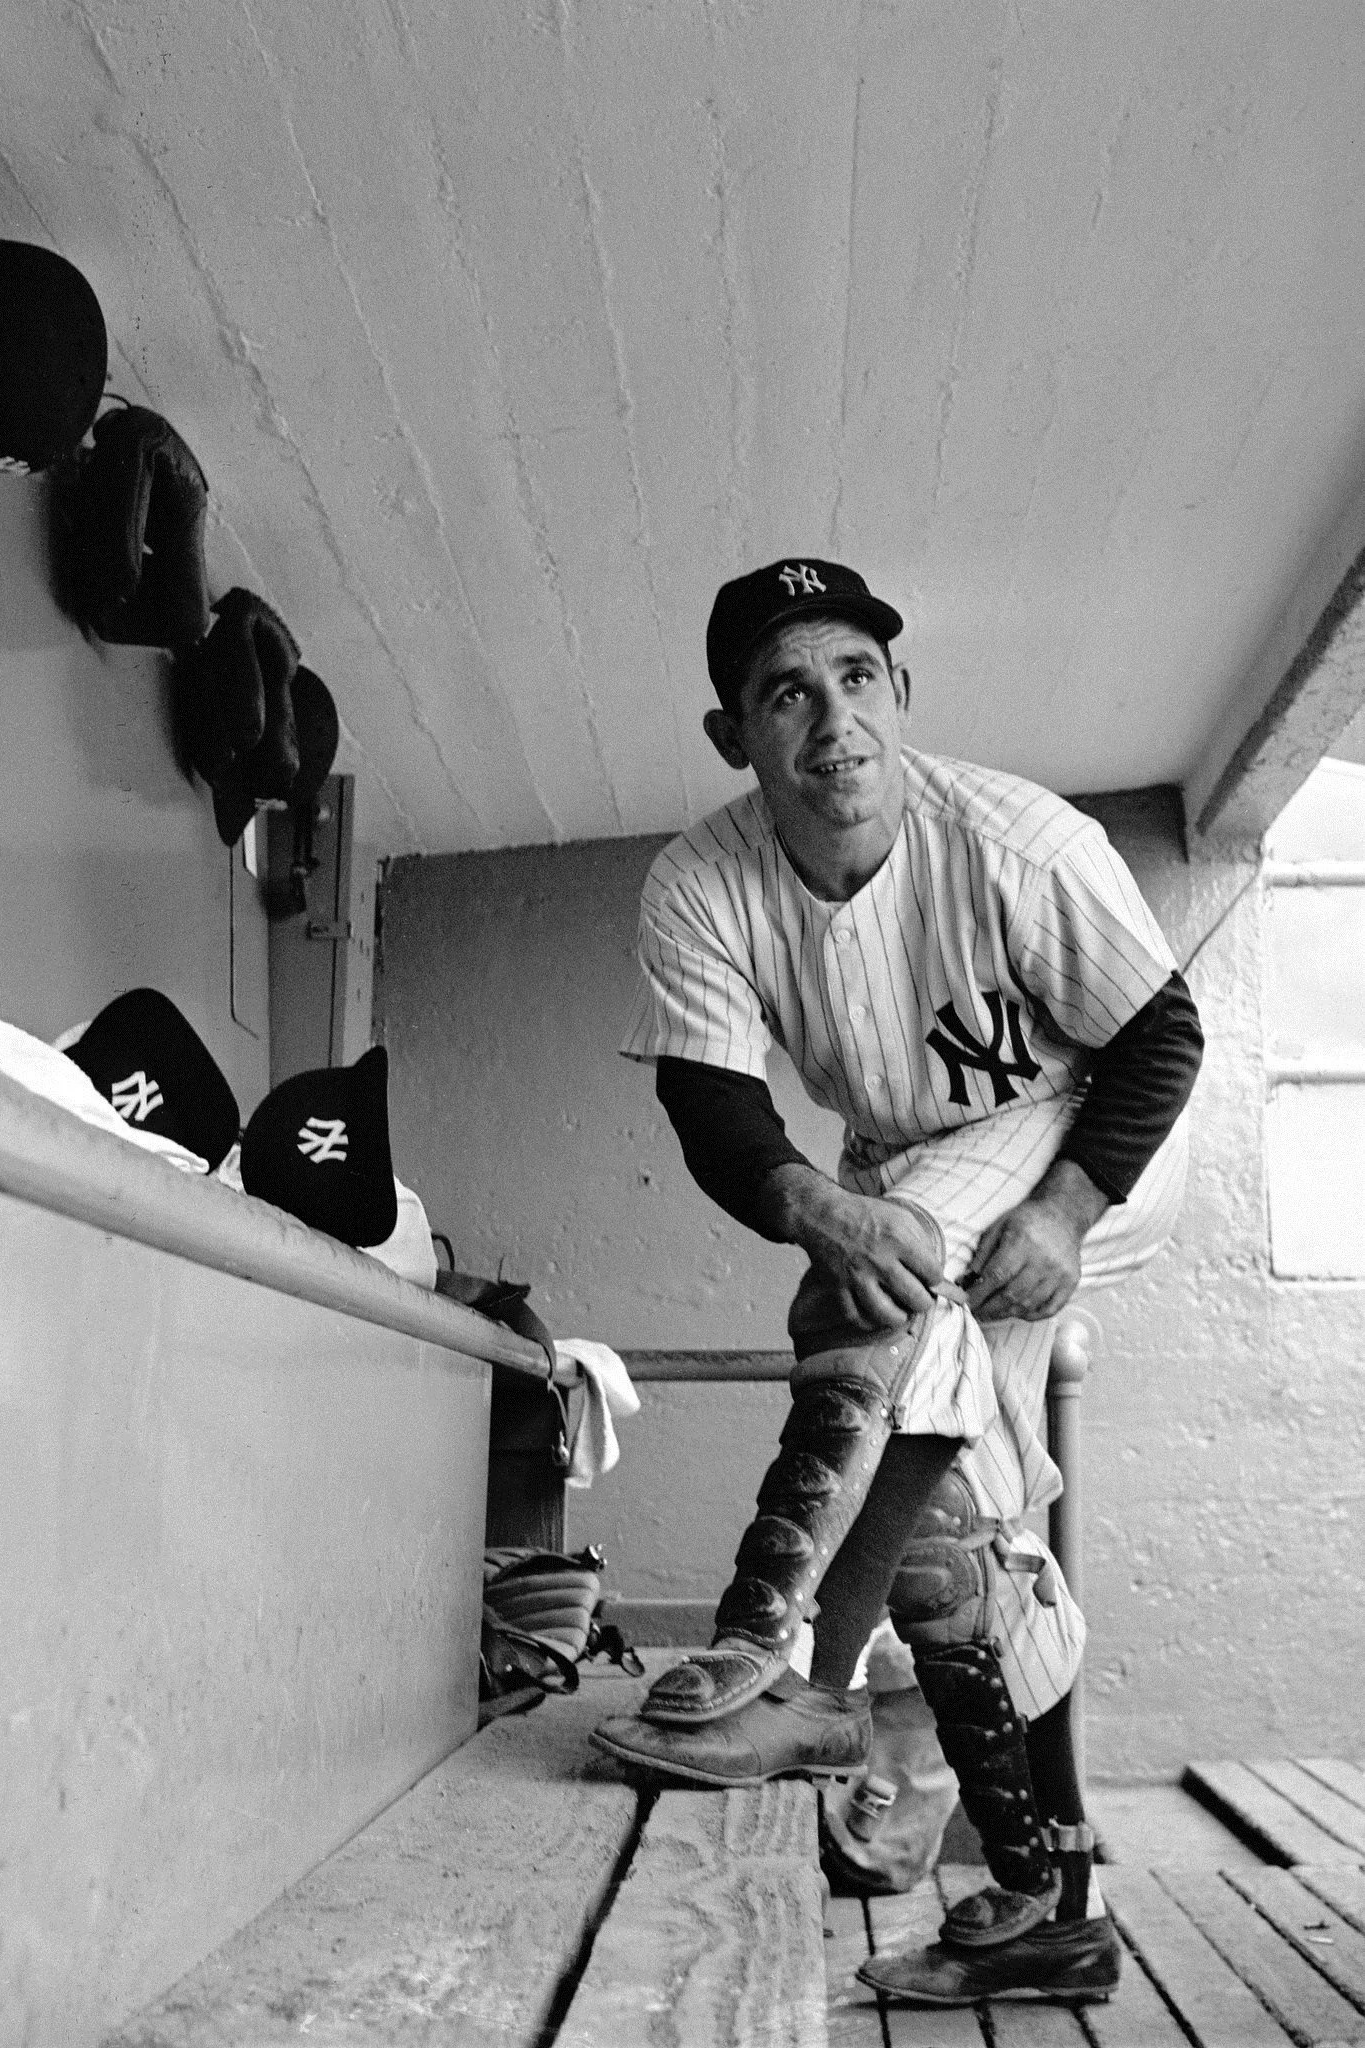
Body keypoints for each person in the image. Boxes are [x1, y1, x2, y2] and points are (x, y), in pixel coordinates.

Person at [590, 558, 1203, 2006]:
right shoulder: (700, 881)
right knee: (954, 1542)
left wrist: (1065, 1210)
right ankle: (1050, 1904)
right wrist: (815, 1203)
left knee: (871, 1297)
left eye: (857, 677)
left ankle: (791, 1672)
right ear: (732, 734)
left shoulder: (1014, 840)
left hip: (1088, 1134)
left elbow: (1159, 1039)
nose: (834, 722)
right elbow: (711, 1100)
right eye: (786, 692)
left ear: (901, 693)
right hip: (907, 1157)